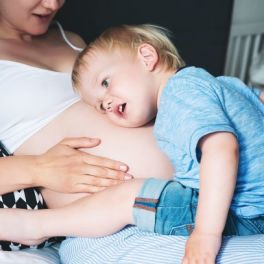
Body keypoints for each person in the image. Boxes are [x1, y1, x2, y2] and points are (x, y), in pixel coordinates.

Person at [70, 24, 263, 263]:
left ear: (147, 57)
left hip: (248, 214)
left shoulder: (176, 95)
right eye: (100, 105)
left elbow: (221, 148)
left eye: (106, 83)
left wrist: (205, 234)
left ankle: (41, 225)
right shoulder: (210, 81)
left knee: (130, 201)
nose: (107, 104)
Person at [0, 0, 173, 251]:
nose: (53, 4)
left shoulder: (72, 40)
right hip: (105, 228)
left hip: (189, 191)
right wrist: (37, 169)